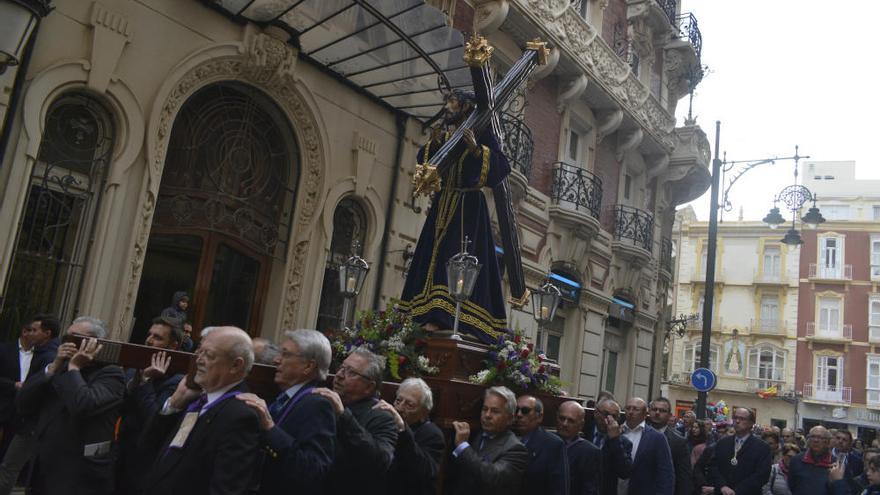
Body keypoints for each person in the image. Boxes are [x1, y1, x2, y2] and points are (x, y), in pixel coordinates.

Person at [398, 89, 511, 344]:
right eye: (447, 102)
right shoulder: (447, 135)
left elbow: (502, 168)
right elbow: (425, 163)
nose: (447, 108)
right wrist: (435, 143)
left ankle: (447, 316)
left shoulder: (482, 134)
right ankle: (422, 313)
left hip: (467, 209)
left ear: (467, 107)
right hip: (442, 203)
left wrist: (475, 150)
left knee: (456, 257)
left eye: (452, 103)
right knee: (431, 257)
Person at [141, 326, 262, 495]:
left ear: (235, 365)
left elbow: (225, 489)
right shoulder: (198, 400)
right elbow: (152, 448)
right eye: (200, 352)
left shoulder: (241, 416)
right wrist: (175, 404)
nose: (199, 360)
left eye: (209, 355)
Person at [16, 317, 125, 495]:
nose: (68, 344)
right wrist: (53, 368)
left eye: (75, 339)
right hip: (43, 469)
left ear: (94, 343)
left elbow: (83, 404)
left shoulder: (111, 375)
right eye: (66, 339)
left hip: (76, 476)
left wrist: (74, 367)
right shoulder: (59, 367)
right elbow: (22, 403)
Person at [237, 329, 336, 494]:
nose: (276, 360)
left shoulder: (317, 405)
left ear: (308, 366)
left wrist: (270, 427)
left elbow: (314, 469)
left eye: (286, 354)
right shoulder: (282, 397)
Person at [116, 316, 184, 495]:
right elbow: (118, 406)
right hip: (120, 458)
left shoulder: (176, 380)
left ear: (173, 346)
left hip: (145, 466)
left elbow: (153, 420)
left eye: (158, 337)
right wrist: (137, 381)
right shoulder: (135, 369)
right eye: (149, 334)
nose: (149, 340)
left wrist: (146, 382)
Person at [314, 349, 397, 495]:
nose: (339, 375)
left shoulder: (382, 417)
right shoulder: (324, 402)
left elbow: (381, 461)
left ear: (369, 387)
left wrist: (343, 415)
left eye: (351, 372)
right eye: (341, 368)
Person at [0, 314, 59, 495]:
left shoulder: (48, 356)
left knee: (10, 466)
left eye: (35, 330)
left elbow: (40, 389)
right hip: (17, 414)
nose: (29, 334)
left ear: (47, 333)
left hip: (29, 422)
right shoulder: (42, 352)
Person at [446, 386, 528, 495]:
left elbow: (492, 478)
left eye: (495, 411)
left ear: (510, 419)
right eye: (484, 409)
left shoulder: (516, 449)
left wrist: (463, 446)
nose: (487, 415)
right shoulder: (474, 434)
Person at [373, 377, 445, 495]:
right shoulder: (385, 423)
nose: (399, 408)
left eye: (409, 405)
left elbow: (424, 472)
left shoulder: (432, 434)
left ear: (424, 413)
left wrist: (403, 429)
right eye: (398, 400)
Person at [705, 407, 772, 495]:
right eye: (735, 418)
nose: (737, 421)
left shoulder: (762, 447)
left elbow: (762, 475)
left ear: (751, 423)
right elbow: (713, 466)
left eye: (742, 419)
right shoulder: (723, 442)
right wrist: (722, 486)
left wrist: (737, 491)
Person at [513, 394, 568, 495]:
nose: (519, 415)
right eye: (516, 410)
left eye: (525, 411)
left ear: (539, 417)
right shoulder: (508, 437)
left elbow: (558, 487)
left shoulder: (553, 444)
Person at [619, 397, 674, 495]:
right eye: (628, 408)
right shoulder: (615, 432)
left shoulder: (657, 438)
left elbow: (665, 474)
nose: (631, 412)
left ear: (645, 414)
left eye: (636, 409)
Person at [788, 426, 852, 495]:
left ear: (828, 441)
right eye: (812, 437)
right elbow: (792, 486)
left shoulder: (837, 466)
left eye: (820, 438)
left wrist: (836, 481)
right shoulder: (796, 460)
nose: (816, 440)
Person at [648, 397, 693, 495]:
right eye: (654, 409)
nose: (657, 413)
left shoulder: (679, 442)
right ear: (649, 411)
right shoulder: (639, 434)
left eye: (662, 411)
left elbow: (684, 479)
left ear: (669, 415)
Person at [557, 400, 600, 495]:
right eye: (562, 418)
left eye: (571, 421)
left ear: (581, 425)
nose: (564, 424)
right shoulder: (546, 443)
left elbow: (590, 489)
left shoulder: (590, 452)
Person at [591, 398, 633, 495]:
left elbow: (624, 472)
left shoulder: (623, 442)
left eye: (614, 416)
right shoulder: (583, 430)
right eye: (605, 414)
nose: (609, 419)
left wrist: (615, 440)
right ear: (596, 413)